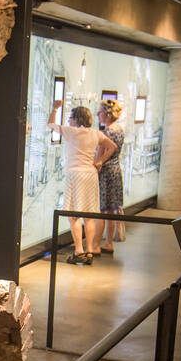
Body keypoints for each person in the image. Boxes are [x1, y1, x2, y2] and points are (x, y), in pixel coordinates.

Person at [50, 100, 116, 265]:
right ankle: (90, 251)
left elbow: (50, 124)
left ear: (76, 119)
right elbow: (112, 146)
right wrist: (100, 161)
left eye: (71, 117)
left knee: (73, 216)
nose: (69, 120)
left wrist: (55, 108)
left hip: (75, 175)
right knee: (89, 216)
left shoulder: (71, 132)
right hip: (90, 175)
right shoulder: (95, 133)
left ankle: (79, 251)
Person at [96, 98, 127, 253]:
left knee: (102, 208)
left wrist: (98, 162)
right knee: (111, 209)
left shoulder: (106, 133)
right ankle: (109, 242)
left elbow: (100, 154)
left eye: (100, 112)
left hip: (105, 173)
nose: (98, 115)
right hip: (115, 171)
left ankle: (95, 243)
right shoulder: (120, 130)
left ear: (107, 114)